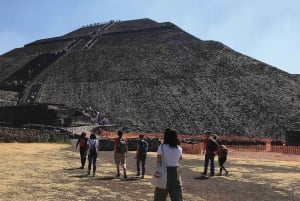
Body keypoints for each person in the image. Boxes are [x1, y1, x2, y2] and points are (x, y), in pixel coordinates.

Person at [154, 128, 183, 201]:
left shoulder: (162, 147)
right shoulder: (179, 148)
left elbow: (158, 161)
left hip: (164, 173)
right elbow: (179, 159)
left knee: (159, 197)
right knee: (177, 197)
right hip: (176, 173)